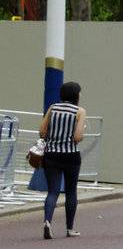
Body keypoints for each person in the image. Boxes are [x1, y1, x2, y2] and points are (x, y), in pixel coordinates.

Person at [40, 80, 87, 239]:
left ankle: (47, 221)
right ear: (76, 95)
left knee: (52, 192)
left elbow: (42, 132)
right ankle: (70, 228)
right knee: (71, 192)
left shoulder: (53, 108)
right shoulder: (80, 111)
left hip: (51, 155)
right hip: (71, 156)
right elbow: (78, 137)